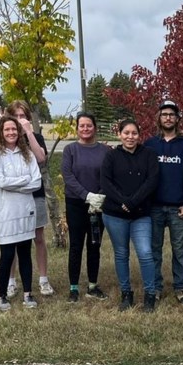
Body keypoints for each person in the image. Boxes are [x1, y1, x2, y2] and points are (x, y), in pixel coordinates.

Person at [101, 119, 161, 312]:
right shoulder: (111, 156)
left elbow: (152, 181)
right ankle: (126, 294)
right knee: (121, 254)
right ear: (119, 134)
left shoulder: (149, 155)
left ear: (139, 135)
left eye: (134, 133)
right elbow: (106, 182)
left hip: (141, 214)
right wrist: (123, 202)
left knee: (145, 253)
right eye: (126, 133)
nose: (130, 137)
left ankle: (150, 295)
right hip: (115, 214)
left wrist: (133, 202)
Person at [144, 100, 183, 305]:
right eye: (164, 114)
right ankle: (156, 287)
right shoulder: (150, 144)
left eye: (172, 114)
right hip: (154, 207)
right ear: (159, 117)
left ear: (177, 119)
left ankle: (181, 287)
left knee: (179, 250)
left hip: (178, 208)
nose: (168, 117)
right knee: (154, 249)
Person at [0, 115, 43, 311]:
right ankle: (2, 296)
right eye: (6, 129)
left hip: (25, 210)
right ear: (1, 132)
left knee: (25, 253)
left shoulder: (27, 153)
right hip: (5, 212)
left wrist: (15, 183)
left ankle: (28, 293)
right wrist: (24, 179)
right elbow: (0, 182)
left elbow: (37, 182)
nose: (11, 133)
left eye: (14, 129)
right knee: (7, 254)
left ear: (19, 132)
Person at [2, 100, 54, 298]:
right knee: (13, 240)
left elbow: (41, 158)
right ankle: (11, 281)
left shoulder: (36, 137)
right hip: (13, 197)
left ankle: (43, 279)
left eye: (22, 116)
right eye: (15, 116)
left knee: (38, 238)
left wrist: (29, 133)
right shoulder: (6, 140)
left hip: (35, 195)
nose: (19, 120)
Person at [61, 112, 111, 303]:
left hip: (98, 204)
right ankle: (73, 287)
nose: (85, 129)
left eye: (89, 125)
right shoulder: (70, 150)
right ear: (77, 128)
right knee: (76, 245)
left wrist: (98, 196)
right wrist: (86, 195)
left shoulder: (105, 151)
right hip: (76, 203)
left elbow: (108, 175)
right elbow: (68, 176)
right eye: (81, 126)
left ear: (95, 127)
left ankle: (92, 285)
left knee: (94, 244)